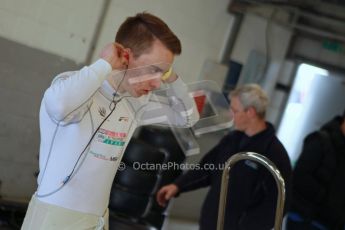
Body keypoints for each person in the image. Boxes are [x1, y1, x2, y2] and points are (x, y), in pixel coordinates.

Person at [21, 12, 199, 230]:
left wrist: (172, 76)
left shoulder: (136, 102)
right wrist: (105, 63)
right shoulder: (69, 85)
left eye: (163, 73)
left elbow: (188, 116)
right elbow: (60, 107)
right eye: (154, 70)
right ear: (125, 55)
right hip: (54, 216)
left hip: (98, 219)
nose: (157, 83)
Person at [156, 84, 292, 230]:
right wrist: (178, 185)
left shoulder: (274, 155)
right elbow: (206, 169)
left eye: (234, 110)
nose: (229, 115)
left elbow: (277, 206)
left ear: (250, 112)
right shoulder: (232, 140)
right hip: (209, 224)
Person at [286, 110, 345, 230]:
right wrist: (328, 198)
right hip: (304, 220)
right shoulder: (320, 140)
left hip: (331, 224)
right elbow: (299, 176)